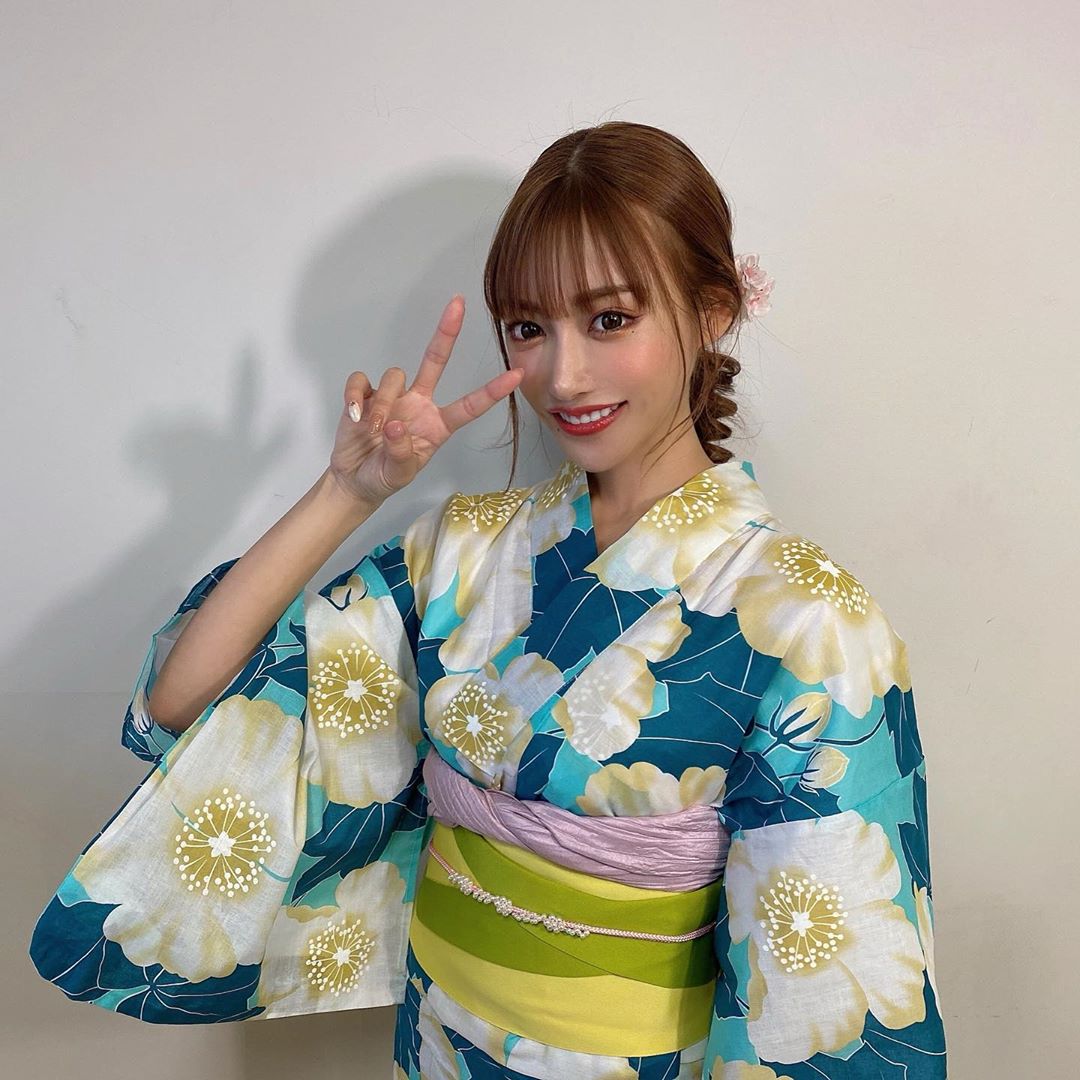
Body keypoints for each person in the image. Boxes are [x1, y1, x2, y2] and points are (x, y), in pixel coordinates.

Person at [29, 121, 947, 1079]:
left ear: (712, 311)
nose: (564, 376)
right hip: (436, 1043)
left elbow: (819, 995)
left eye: (609, 320)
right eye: (528, 327)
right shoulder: (461, 553)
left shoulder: (814, 624)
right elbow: (188, 705)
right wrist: (347, 493)